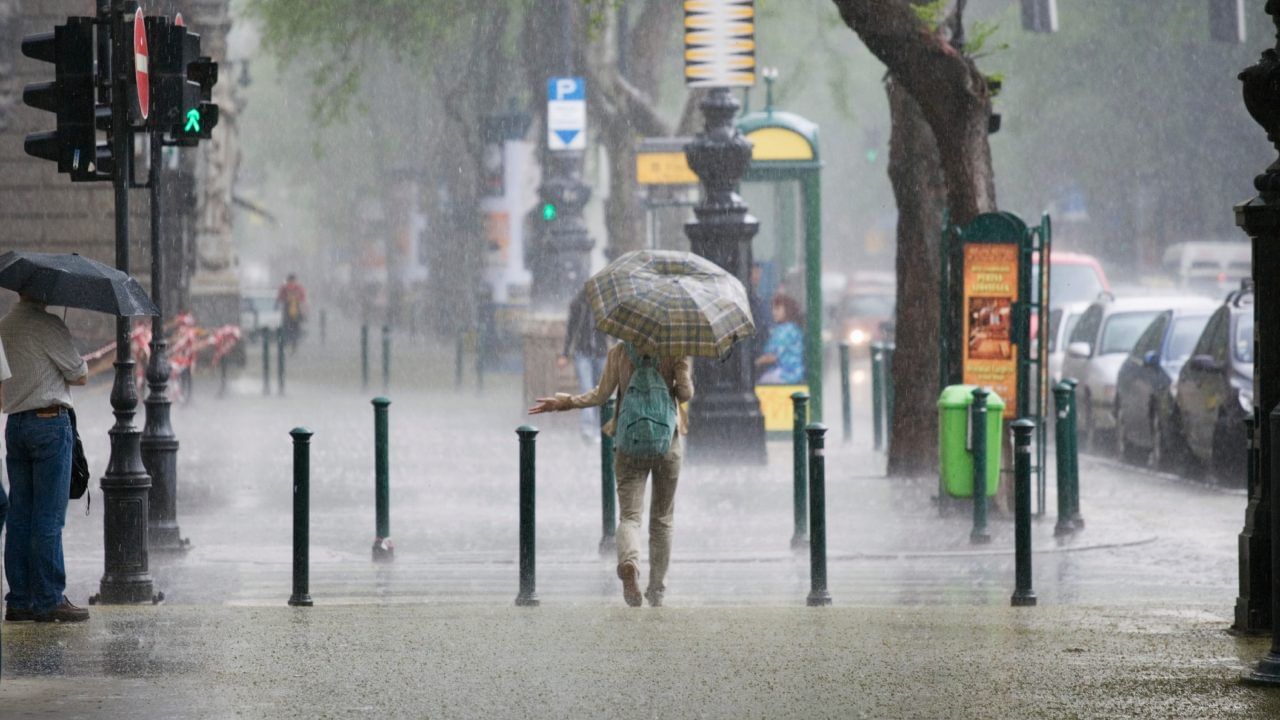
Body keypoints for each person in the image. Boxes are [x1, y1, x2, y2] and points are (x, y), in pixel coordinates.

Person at [529, 342, 693, 608]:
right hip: (667, 443)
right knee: (662, 519)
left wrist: (565, 402)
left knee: (629, 516)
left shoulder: (620, 351)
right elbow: (685, 393)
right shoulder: (675, 348)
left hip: (629, 443)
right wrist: (676, 378)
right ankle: (657, 591)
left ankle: (629, 562)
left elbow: (601, 395)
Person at [0, 294, 90, 623]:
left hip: (16, 425)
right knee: (49, 517)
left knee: (20, 514)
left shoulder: (4, 326)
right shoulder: (49, 325)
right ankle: (50, 598)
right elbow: (80, 374)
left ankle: (20, 599)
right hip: (49, 422)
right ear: (45, 293)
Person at [558, 288, 610, 443]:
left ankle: (599, 428)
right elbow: (571, 330)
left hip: (600, 354)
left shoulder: (605, 306)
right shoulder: (578, 305)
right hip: (583, 354)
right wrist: (565, 354)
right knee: (587, 389)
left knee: (600, 391)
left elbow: (612, 330)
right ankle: (588, 428)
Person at [755, 293, 805, 385]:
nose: (774, 312)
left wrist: (755, 363)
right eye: (773, 309)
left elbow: (772, 356)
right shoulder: (791, 328)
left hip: (786, 375)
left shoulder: (786, 331)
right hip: (792, 374)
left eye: (777, 309)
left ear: (788, 310)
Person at [276, 273, 308, 353]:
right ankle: (293, 345)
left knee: (288, 329)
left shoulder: (284, 288)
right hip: (295, 312)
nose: (291, 283)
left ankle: (289, 344)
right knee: (295, 330)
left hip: (288, 312)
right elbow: (303, 300)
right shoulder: (298, 288)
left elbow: (280, 298)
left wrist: (286, 299)